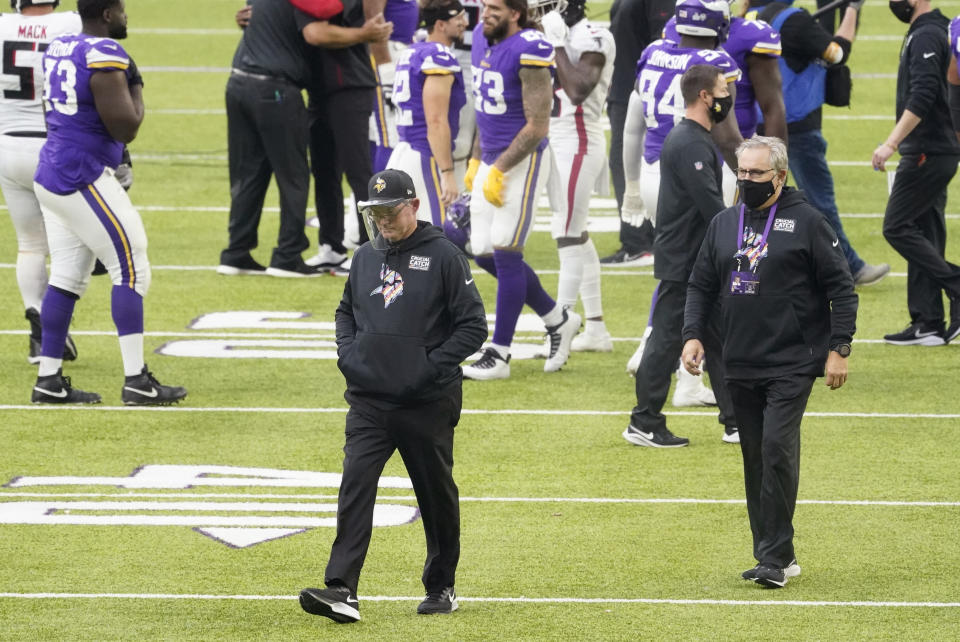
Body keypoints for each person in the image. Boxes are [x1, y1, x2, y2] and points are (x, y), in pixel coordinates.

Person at [298, 169, 487, 622]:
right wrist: (349, 354)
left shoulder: (445, 256)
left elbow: (473, 326)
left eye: (390, 211)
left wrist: (427, 368)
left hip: (426, 403)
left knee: (434, 494)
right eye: (375, 213)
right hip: (369, 401)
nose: (382, 220)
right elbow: (346, 311)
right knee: (355, 486)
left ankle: (441, 586)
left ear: (414, 206)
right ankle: (342, 588)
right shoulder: (365, 256)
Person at [682, 136, 858, 588]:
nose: (747, 181)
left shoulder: (809, 223)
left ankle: (773, 560)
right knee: (755, 457)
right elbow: (700, 285)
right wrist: (693, 335)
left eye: (756, 174)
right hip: (737, 362)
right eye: (741, 173)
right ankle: (777, 552)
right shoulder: (724, 223)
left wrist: (839, 348)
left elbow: (842, 289)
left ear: (779, 175)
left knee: (777, 449)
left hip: (791, 362)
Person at [31, 0, 187, 405]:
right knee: (132, 268)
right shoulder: (105, 52)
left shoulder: (60, 46)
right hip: (80, 174)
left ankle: (48, 380)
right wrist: (136, 86)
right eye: (120, 10)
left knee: (66, 276)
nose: (125, 17)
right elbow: (126, 125)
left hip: (51, 169)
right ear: (105, 15)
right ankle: (137, 380)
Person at [621, 0, 740, 410]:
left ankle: (686, 380)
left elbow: (633, 122)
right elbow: (727, 136)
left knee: (685, 279)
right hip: (693, 167)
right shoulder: (713, 63)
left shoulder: (655, 51)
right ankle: (658, 355)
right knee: (697, 279)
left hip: (655, 167)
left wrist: (632, 184)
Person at [458, 0, 581, 380]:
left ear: (516, 12)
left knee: (506, 249)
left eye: (495, 7)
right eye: (484, 5)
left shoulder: (531, 47)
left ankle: (499, 354)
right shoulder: (481, 37)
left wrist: (498, 167)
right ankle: (557, 317)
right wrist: (477, 159)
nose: (486, 13)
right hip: (492, 158)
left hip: (523, 160)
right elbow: (484, 109)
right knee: (481, 251)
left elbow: (538, 125)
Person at [749, 0, 890, 287]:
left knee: (764, 202)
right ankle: (850, 268)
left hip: (763, 121)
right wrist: (853, 9)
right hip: (797, 126)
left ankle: (757, 267)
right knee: (819, 202)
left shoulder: (759, 16)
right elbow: (838, 53)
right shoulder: (795, 20)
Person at [873, 0, 960, 345]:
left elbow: (923, 95)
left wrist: (891, 144)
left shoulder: (926, 35)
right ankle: (928, 322)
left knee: (896, 227)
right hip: (937, 148)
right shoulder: (931, 31)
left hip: (927, 149)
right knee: (925, 230)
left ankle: (955, 285)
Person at [219, 0, 327, 277]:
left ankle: (236, 252)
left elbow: (255, 17)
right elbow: (317, 27)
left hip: (238, 82)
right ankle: (287, 255)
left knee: (248, 173)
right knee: (294, 175)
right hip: (275, 89)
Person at [0, 0, 80, 364]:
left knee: (31, 244)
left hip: (9, 144)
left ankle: (38, 330)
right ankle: (54, 326)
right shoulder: (71, 23)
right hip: (55, 144)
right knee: (76, 243)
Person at [539, 0, 616, 351]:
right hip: (558, 138)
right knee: (576, 233)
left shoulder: (595, 36)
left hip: (579, 140)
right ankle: (596, 329)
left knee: (567, 234)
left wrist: (556, 45)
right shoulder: (555, 30)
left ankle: (560, 328)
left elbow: (577, 89)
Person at [303, 0, 394, 273]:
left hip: (351, 85)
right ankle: (330, 247)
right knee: (323, 170)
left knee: (358, 171)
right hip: (319, 88)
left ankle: (372, 249)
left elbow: (325, 31)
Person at [601, 0, 674, 266]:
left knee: (632, 163)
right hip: (623, 91)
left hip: (641, 93)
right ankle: (640, 238)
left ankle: (640, 241)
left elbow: (663, 40)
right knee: (622, 163)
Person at [386, 0, 468, 224]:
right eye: (458, 18)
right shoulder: (439, 57)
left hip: (404, 150)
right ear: (441, 24)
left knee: (407, 238)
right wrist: (448, 172)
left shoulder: (413, 51)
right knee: (436, 236)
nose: (464, 23)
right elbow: (436, 120)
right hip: (425, 154)